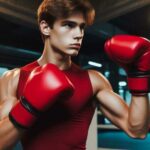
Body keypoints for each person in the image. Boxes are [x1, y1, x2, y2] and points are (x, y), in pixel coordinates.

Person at [0, 0, 150, 149]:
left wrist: (138, 76)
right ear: (45, 27)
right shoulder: (14, 78)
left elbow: (137, 130)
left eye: (82, 27)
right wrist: (28, 107)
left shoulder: (94, 80)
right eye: (69, 25)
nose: (79, 34)